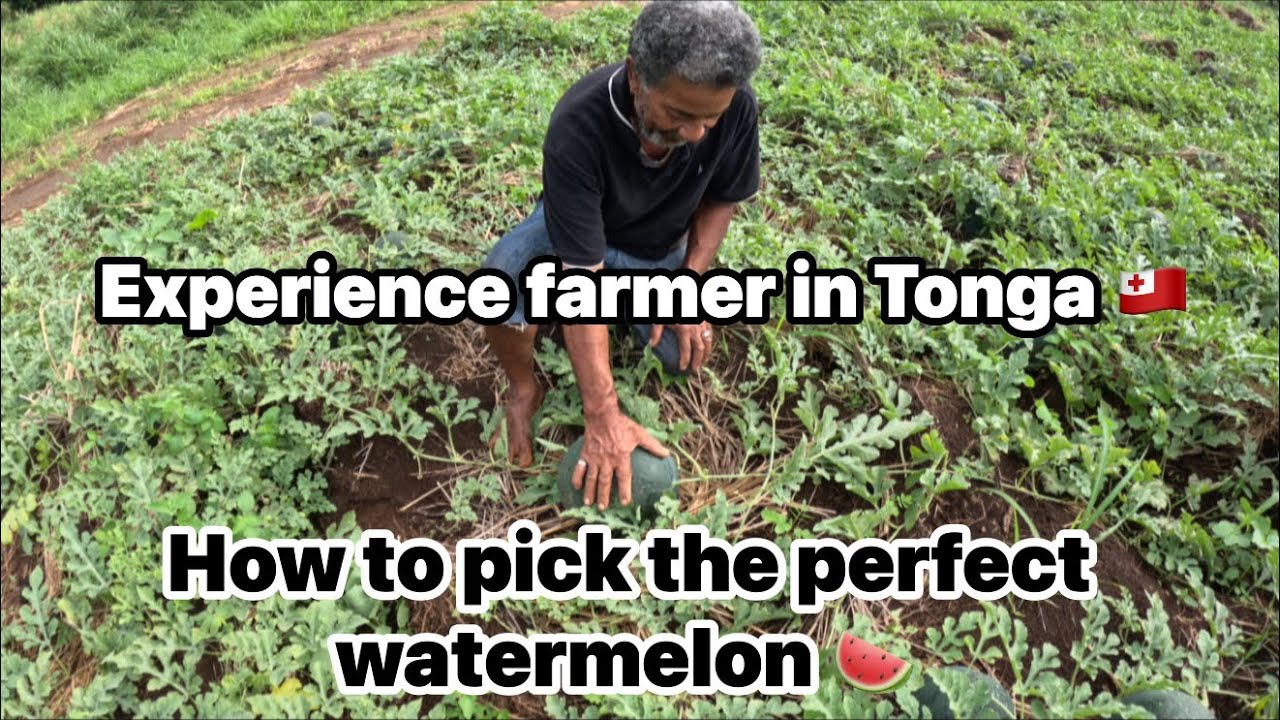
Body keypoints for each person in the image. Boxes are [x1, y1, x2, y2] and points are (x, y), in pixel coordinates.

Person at [481, 0, 762, 511]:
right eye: (678, 114)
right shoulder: (579, 123)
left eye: (710, 118)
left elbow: (722, 199)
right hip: (573, 235)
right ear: (636, 76)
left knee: (682, 358)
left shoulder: (738, 108)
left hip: (654, 249)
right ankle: (522, 387)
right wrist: (602, 413)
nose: (696, 133)